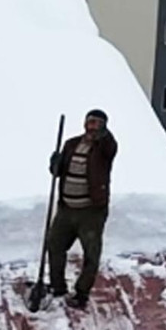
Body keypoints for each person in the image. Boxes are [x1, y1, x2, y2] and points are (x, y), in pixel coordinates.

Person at [45, 108, 119, 308]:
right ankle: (57, 286)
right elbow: (58, 172)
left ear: (104, 126)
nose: (92, 125)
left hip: (91, 212)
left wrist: (103, 134)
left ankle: (81, 293)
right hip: (66, 209)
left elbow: (109, 145)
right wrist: (55, 164)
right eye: (89, 121)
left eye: (97, 122)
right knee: (54, 245)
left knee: (91, 254)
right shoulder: (71, 144)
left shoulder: (105, 148)